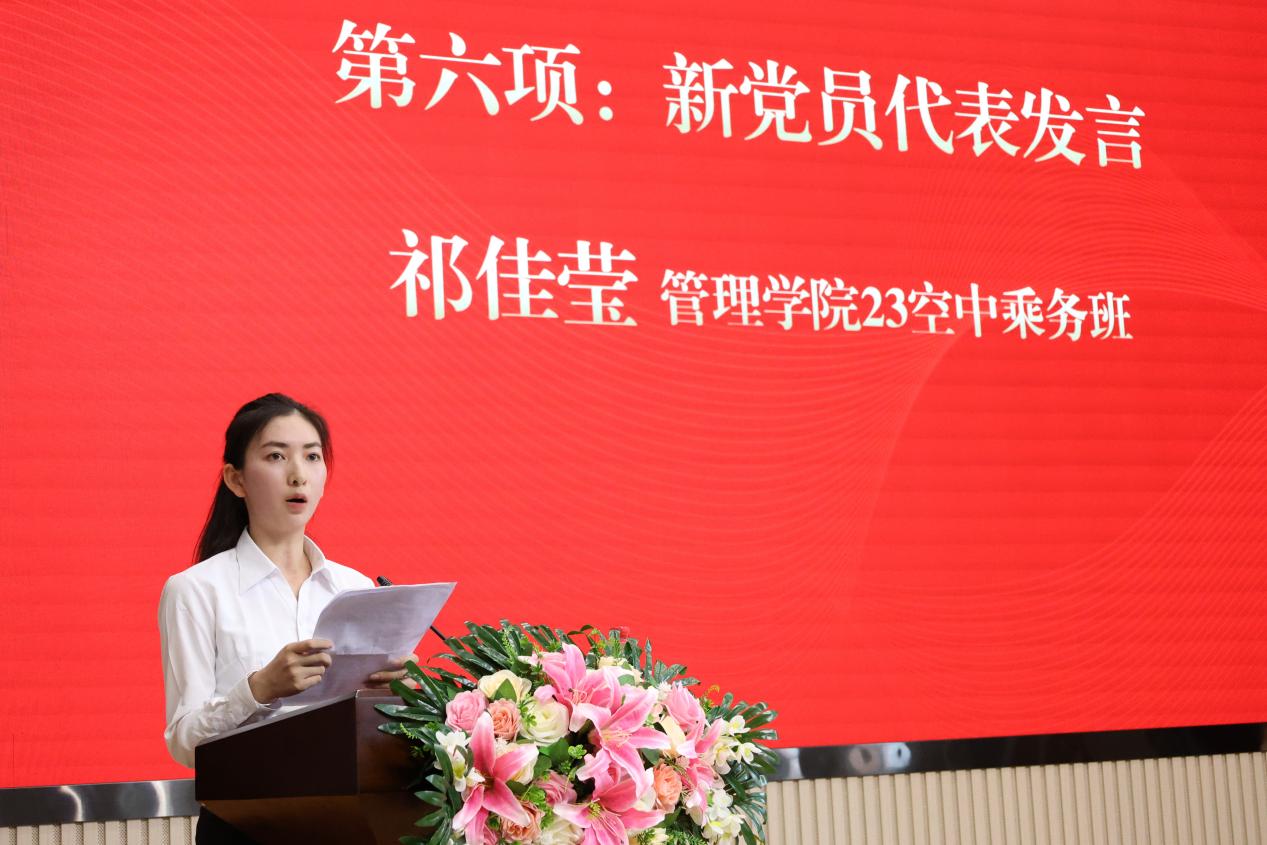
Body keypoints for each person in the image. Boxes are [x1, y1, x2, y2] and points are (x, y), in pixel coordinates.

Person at [158, 393, 416, 843]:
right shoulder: (195, 590)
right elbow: (185, 743)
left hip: (348, 823)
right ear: (236, 479)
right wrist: (259, 689)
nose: (298, 474)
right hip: (243, 827)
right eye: (276, 456)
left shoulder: (354, 587)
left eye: (312, 457)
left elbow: (368, 723)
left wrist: (400, 693)